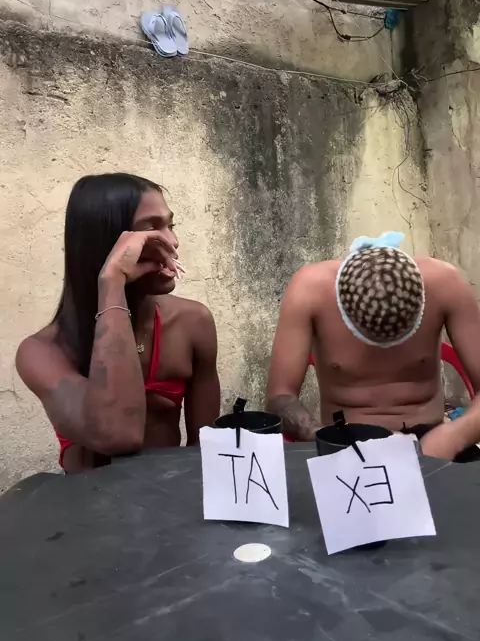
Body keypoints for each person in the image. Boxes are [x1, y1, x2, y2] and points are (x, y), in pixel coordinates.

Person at [16, 173, 220, 473]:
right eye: (151, 229)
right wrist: (112, 281)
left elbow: (204, 450)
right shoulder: (42, 352)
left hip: (172, 493)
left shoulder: (192, 323)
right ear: (108, 246)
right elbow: (118, 434)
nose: (173, 242)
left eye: (170, 226)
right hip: (90, 499)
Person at [266, 232, 480, 461]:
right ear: (345, 313)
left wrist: (453, 436)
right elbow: (280, 396)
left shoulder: (445, 284)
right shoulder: (309, 290)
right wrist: (322, 436)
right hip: (346, 442)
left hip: (431, 440)